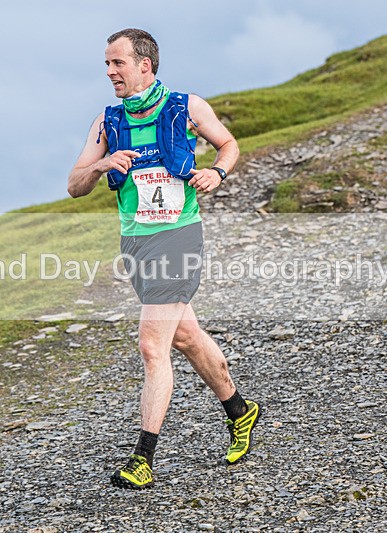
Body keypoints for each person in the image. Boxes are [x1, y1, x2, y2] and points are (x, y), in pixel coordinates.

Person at [68, 28, 260, 490]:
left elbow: (229, 144)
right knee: (187, 338)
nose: (110, 71)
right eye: (107, 64)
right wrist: (101, 164)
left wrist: (217, 171)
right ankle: (240, 409)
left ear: (144, 65)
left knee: (153, 345)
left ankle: (142, 458)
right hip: (135, 243)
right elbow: (74, 184)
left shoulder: (186, 106)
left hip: (178, 236)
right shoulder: (106, 120)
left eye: (118, 63)